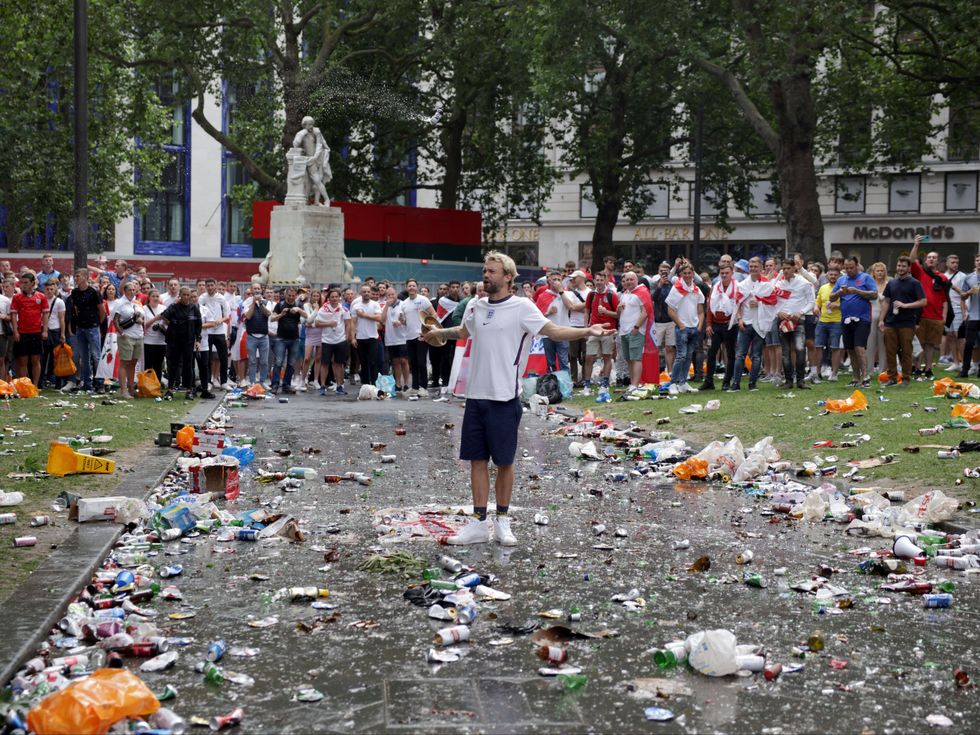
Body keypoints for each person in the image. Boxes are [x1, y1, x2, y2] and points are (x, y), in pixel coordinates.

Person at [420, 251, 614, 546]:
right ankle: (477, 523)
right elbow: (463, 331)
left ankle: (503, 522)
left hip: (504, 398)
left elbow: (554, 331)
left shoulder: (522, 306)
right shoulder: (476, 305)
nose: (486, 275)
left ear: (508, 277)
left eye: (493, 271)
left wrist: (587, 330)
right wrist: (437, 333)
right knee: (476, 461)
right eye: (485, 270)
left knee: (505, 462)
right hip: (475, 397)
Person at [830, 255, 878, 388]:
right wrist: (840, 292)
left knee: (859, 348)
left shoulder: (865, 278)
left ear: (857, 266)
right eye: (846, 268)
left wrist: (857, 291)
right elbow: (831, 297)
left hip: (862, 318)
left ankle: (866, 377)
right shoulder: (841, 280)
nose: (849, 270)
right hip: (846, 319)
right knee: (850, 349)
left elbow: (874, 294)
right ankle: (855, 378)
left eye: (851, 268)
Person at [880, 256, 926, 386]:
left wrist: (905, 305)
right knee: (890, 351)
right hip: (890, 322)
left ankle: (906, 378)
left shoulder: (914, 283)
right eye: (899, 265)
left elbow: (923, 301)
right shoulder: (892, 283)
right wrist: (881, 320)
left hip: (907, 323)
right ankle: (892, 378)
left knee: (906, 351)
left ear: (909, 268)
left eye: (903, 266)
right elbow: (886, 302)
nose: (900, 268)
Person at [149, 286, 202, 400]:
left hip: (188, 340)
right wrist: (174, 304)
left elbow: (199, 325)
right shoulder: (174, 307)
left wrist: (198, 340)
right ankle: (170, 389)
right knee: (172, 365)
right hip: (174, 340)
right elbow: (164, 315)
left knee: (188, 366)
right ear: (180, 295)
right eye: (184, 295)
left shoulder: (194, 308)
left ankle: (189, 389)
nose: (186, 297)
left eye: (188, 295)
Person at [730, 257, 775, 391]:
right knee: (740, 355)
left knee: (756, 356)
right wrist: (739, 319)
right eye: (751, 266)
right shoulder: (743, 284)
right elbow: (737, 303)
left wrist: (760, 302)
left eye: (756, 266)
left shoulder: (767, 285)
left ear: (761, 268)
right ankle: (736, 384)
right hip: (746, 323)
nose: (753, 269)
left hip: (760, 324)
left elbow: (773, 302)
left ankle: (752, 384)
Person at [908, 235, 948, 379]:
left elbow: (945, 299)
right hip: (920, 315)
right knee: (919, 344)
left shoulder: (943, 278)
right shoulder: (920, 272)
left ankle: (929, 369)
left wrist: (944, 318)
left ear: (938, 261)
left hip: (936, 317)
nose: (931, 259)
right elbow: (911, 260)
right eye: (929, 257)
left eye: (934, 257)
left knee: (930, 345)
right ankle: (917, 369)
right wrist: (916, 245)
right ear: (926, 260)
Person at [774, 260, 815, 389]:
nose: (785, 271)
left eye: (788, 268)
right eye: (783, 268)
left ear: (794, 269)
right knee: (785, 352)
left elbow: (811, 301)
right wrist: (778, 312)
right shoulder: (778, 284)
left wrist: (801, 312)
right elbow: (772, 302)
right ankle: (788, 381)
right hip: (783, 321)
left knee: (800, 349)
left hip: (798, 321)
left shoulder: (803, 283)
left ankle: (801, 380)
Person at [665, 263, 704, 394]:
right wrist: (680, 324)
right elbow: (670, 310)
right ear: (681, 275)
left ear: (693, 274)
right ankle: (673, 383)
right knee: (681, 356)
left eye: (689, 273)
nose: (687, 276)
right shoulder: (677, 288)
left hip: (694, 328)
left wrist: (699, 325)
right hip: (683, 328)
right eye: (685, 273)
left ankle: (682, 382)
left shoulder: (696, 290)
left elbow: (700, 310)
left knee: (688, 356)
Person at [700, 263, 739, 391]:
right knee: (711, 354)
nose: (724, 275)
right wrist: (709, 324)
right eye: (722, 273)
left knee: (730, 354)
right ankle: (709, 382)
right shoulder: (715, 287)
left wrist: (734, 320)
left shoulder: (737, 286)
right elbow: (710, 306)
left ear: (731, 273)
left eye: (726, 273)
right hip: (716, 325)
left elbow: (740, 306)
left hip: (730, 325)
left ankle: (727, 382)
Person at [66, 268, 104, 392]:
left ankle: (99, 383)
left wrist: (98, 323)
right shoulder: (74, 292)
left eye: (78, 276)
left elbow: (101, 310)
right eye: (75, 276)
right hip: (80, 327)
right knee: (84, 357)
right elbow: (75, 309)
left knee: (96, 355)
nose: (75, 278)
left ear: (85, 277)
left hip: (92, 327)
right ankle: (86, 383)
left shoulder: (94, 292)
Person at [11, 271, 50, 386]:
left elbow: (45, 314)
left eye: (26, 282)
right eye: (22, 282)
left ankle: (36, 385)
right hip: (22, 332)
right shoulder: (17, 297)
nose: (23, 285)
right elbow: (13, 315)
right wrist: (15, 331)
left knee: (35, 360)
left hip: (36, 332)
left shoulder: (41, 296)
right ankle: (24, 386)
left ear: (33, 283)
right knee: (22, 361)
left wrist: (45, 330)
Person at [582, 271, 618, 392]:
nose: (599, 282)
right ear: (594, 281)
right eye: (597, 280)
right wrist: (586, 328)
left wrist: (606, 312)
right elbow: (587, 311)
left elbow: (618, 314)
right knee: (588, 357)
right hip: (593, 330)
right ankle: (587, 384)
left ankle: (605, 383)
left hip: (608, 330)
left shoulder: (612, 295)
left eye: (601, 280)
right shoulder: (591, 294)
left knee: (607, 357)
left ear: (605, 280)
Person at [400, 279, 435, 398]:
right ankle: (414, 387)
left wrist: (426, 330)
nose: (411, 288)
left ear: (417, 287)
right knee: (413, 363)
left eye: (413, 285)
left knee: (421, 362)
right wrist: (401, 321)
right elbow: (406, 322)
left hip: (421, 336)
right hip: (409, 337)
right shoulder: (404, 303)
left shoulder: (423, 300)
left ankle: (424, 388)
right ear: (406, 287)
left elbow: (433, 315)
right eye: (409, 286)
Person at [536, 271, 575, 373]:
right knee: (550, 363)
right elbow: (538, 317)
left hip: (563, 332)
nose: (557, 282)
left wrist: (561, 292)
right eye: (554, 280)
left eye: (559, 280)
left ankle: (565, 388)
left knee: (564, 362)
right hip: (547, 334)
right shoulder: (543, 296)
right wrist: (548, 313)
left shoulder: (567, 294)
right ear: (549, 280)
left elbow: (570, 306)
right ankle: (552, 387)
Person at [316, 287, 352, 395]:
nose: (334, 299)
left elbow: (348, 324)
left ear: (339, 298)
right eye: (332, 297)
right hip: (327, 340)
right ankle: (322, 386)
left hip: (340, 340)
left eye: (336, 297)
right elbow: (317, 324)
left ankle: (340, 386)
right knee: (325, 363)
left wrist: (347, 337)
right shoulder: (323, 309)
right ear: (329, 298)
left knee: (339, 364)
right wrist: (329, 324)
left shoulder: (344, 309)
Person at [113, 281, 144, 399]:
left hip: (138, 335)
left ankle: (131, 388)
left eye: (133, 290)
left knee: (133, 363)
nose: (132, 292)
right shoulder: (120, 303)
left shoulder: (136, 302)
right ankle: (123, 390)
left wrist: (140, 318)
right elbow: (115, 320)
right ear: (124, 291)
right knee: (124, 363)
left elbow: (142, 316)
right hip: (127, 336)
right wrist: (121, 333)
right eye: (129, 290)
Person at [269, 287, 303, 394]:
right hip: (281, 338)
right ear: (285, 295)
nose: (291, 297)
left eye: (293, 296)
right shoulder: (280, 305)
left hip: (294, 338)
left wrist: (299, 310)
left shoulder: (299, 305)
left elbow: (307, 316)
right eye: (289, 295)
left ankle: (286, 384)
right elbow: (272, 318)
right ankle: (275, 384)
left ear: (296, 296)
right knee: (278, 362)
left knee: (291, 363)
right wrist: (281, 314)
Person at [812, 264, 843, 383]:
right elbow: (817, 301)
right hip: (822, 320)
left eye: (835, 275)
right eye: (831, 274)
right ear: (827, 275)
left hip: (836, 321)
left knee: (835, 348)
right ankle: (818, 372)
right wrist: (815, 307)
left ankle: (834, 373)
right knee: (818, 346)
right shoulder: (823, 287)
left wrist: (836, 305)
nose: (833, 276)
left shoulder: (842, 289)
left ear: (839, 276)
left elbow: (848, 304)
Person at [242, 283, 271, 387]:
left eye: (258, 288)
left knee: (264, 361)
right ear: (252, 290)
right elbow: (248, 316)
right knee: (252, 361)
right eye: (255, 288)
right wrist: (254, 303)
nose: (257, 290)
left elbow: (268, 314)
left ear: (261, 290)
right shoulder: (246, 302)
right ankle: (253, 382)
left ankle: (263, 382)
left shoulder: (267, 301)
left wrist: (261, 304)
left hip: (264, 336)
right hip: (252, 336)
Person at [381, 286, 410, 393]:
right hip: (391, 338)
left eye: (392, 294)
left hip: (403, 337)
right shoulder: (385, 306)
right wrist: (386, 306)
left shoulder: (403, 305)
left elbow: (407, 321)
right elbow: (382, 320)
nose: (391, 297)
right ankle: (398, 383)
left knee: (404, 360)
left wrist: (401, 322)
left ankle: (406, 383)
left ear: (396, 294)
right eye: (388, 295)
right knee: (395, 361)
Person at [353, 284, 383, 386]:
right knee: (363, 362)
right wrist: (352, 337)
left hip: (372, 337)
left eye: (368, 292)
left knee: (373, 361)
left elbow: (379, 318)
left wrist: (364, 315)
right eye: (364, 292)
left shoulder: (375, 304)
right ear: (361, 293)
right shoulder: (356, 306)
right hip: (360, 337)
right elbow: (353, 322)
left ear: (371, 293)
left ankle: (374, 384)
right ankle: (365, 384)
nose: (366, 293)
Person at [942, 254, 968, 372]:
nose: (955, 264)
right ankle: (956, 363)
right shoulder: (943, 276)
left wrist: (965, 311)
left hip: (958, 307)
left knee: (960, 336)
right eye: (952, 262)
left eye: (956, 262)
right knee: (950, 336)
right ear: (947, 263)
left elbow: (966, 293)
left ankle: (965, 363)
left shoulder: (963, 276)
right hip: (947, 309)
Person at [40, 280, 66, 389]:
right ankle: (41, 381)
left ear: (55, 289)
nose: (49, 291)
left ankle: (58, 382)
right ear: (44, 289)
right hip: (43, 329)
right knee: (43, 357)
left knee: (56, 357)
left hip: (55, 330)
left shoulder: (59, 301)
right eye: (47, 289)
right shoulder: (41, 300)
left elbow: (62, 319)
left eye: (52, 289)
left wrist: (62, 334)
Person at [651, 263, 675, 374]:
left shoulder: (673, 284)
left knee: (670, 347)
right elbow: (653, 298)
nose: (664, 273)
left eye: (666, 271)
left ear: (670, 272)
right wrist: (660, 285)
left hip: (671, 320)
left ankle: (670, 371)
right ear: (658, 272)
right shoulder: (654, 284)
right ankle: (655, 372)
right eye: (662, 271)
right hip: (658, 321)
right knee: (655, 348)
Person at [866, 262, 889, 378]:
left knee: (883, 343)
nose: (880, 273)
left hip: (884, 316)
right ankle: (869, 370)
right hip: (871, 314)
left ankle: (882, 370)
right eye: (877, 271)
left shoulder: (888, 284)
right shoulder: (870, 284)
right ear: (873, 272)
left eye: (882, 271)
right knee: (870, 343)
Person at [958, 254, 980, 378]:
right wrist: (968, 292)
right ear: (975, 262)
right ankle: (965, 370)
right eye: (977, 260)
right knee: (969, 344)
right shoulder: (969, 277)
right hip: (973, 316)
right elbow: (962, 296)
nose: (979, 262)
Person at [142, 288, 167, 381]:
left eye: (157, 296)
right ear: (149, 297)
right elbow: (143, 325)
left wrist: (164, 319)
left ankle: (157, 384)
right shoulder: (144, 309)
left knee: (159, 365)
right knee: (148, 364)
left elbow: (169, 323)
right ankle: (147, 385)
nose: (155, 298)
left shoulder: (163, 308)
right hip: (148, 341)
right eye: (153, 296)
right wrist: (155, 319)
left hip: (161, 341)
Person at [301, 289, 324, 389]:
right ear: (311, 297)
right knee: (307, 358)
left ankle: (315, 380)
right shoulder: (306, 306)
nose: (315, 298)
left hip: (321, 334)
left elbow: (318, 321)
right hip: (310, 335)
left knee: (318, 358)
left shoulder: (323, 308)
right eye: (314, 296)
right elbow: (307, 320)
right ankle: (303, 380)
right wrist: (315, 310)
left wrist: (311, 322)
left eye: (317, 296)